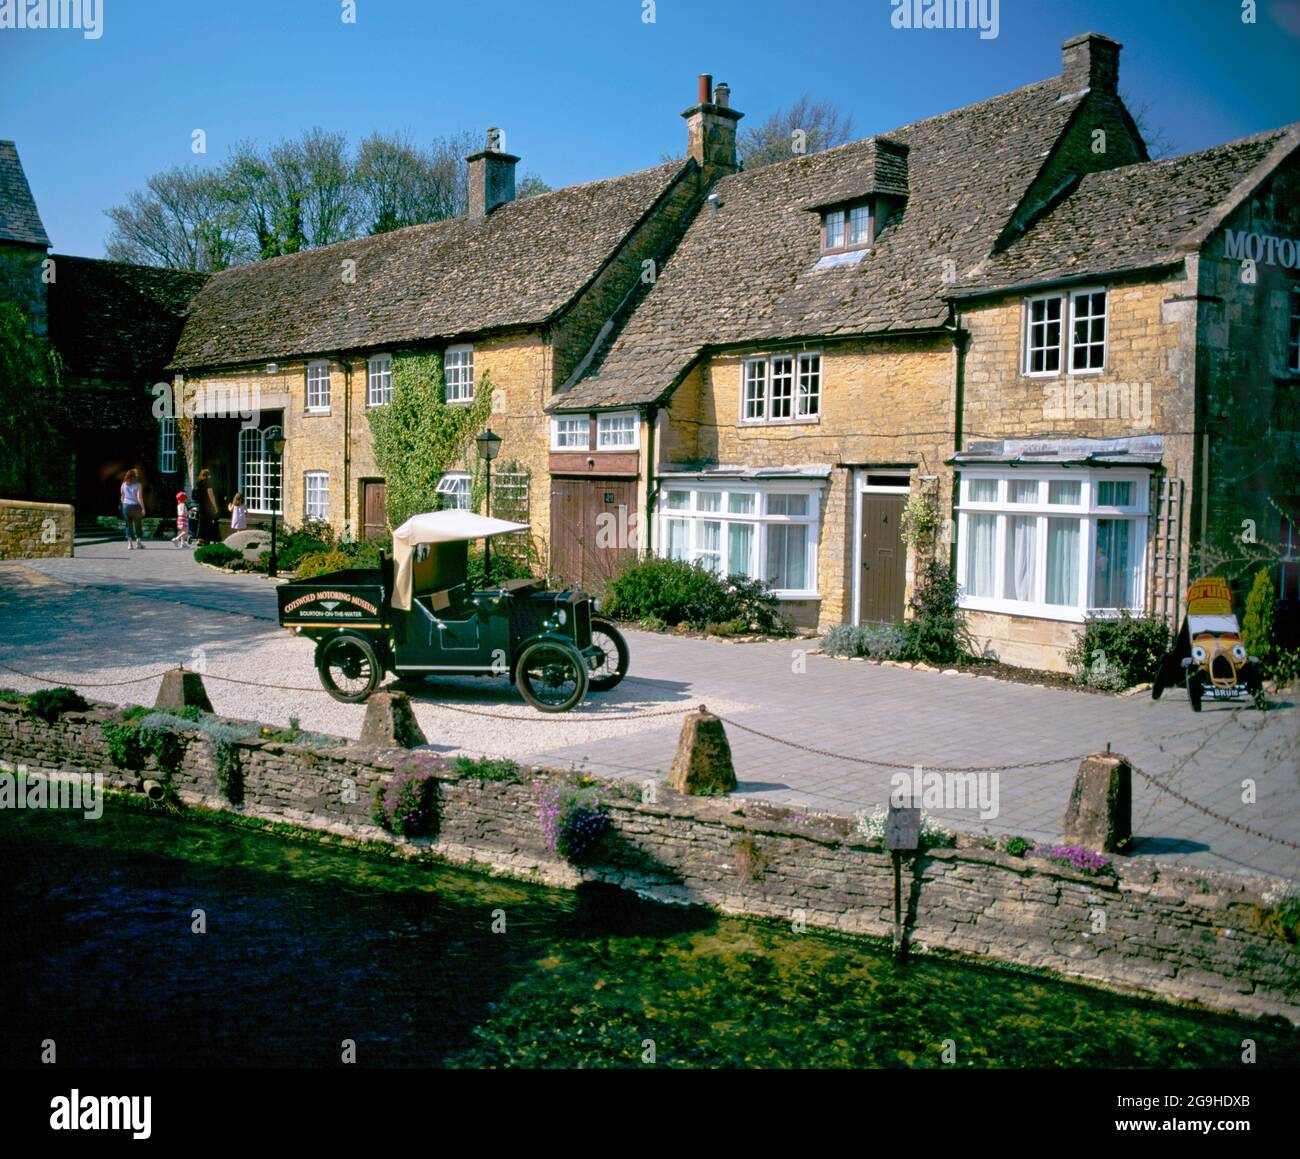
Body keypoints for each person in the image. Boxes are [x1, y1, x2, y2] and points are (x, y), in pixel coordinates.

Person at [120, 469, 146, 550]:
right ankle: (138, 543)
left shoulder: (123, 484)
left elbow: (122, 496)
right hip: (135, 507)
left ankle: (130, 544)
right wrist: (143, 508)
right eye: (137, 474)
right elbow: (139, 497)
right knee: (137, 525)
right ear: (134, 476)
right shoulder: (138, 485)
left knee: (128, 525)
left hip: (126, 506)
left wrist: (124, 504)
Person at [193, 469, 220, 545]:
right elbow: (211, 496)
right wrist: (215, 507)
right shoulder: (208, 483)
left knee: (201, 522)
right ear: (207, 476)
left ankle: (200, 539)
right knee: (208, 522)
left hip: (200, 505)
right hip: (207, 506)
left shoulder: (198, 483)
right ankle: (207, 538)